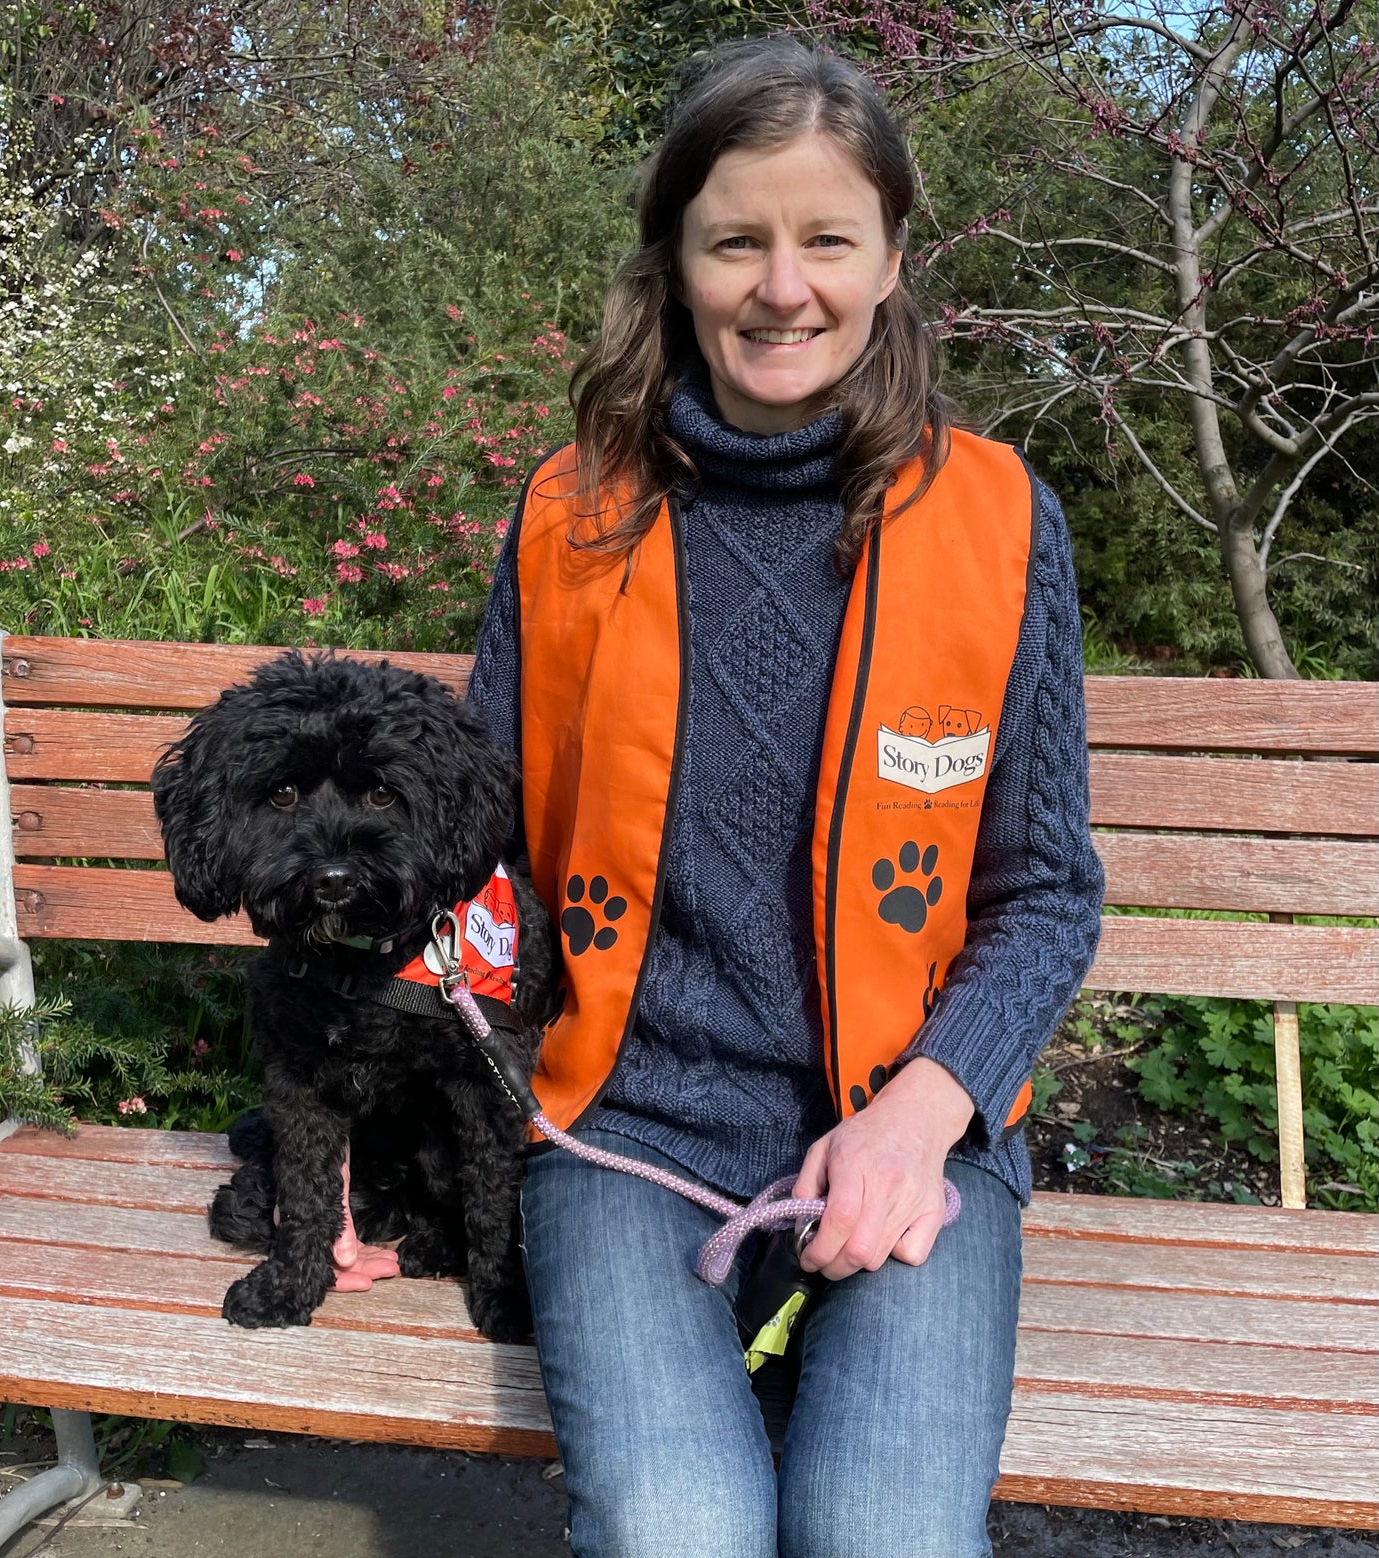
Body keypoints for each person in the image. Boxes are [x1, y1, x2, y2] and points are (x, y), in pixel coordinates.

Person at [466, 36, 1103, 1558]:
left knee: (883, 1534)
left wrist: (918, 1118)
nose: (782, 286)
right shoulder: (570, 518)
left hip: (910, 1133)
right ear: (674, 262)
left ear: (891, 262)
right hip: (624, 1134)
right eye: (736, 239)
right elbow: (468, 857)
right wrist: (374, 1147)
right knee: (679, 1526)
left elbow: (1046, 892)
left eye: (827, 239)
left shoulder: (1001, 521)